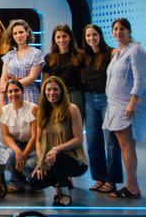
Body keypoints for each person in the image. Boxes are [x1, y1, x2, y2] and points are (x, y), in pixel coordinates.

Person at [104, 18, 146, 199]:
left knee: (127, 145)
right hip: (113, 105)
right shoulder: (119, 52)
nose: (118, 32)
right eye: (115, 29)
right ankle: (130, 185)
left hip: (125, 105)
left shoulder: (136, 50)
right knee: (124, 146)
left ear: (129, 30)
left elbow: (140, 79)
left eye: (122, 28)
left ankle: (132, 187)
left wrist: (133, 102)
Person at [30, 76, 88, 206]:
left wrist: (56, 149)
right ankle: (61, 180)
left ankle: (65, 194)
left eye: (55, 89)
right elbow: (38, 140)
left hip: (73, 160)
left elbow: (78, 139)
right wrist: (40, 163)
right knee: (35, 182)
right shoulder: (41, 112)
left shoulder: (71, 109)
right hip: (49, 159)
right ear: (44, 92)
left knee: (58, 158)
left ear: (61, 91)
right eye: (48, 89)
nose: (52, 93)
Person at [82, 24, 122, 194]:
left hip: (108, 101)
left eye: (94, 35)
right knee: (92, 141)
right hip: (90, 100)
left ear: (100, 35)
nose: (91, 38)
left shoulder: (111, 53)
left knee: (111, 142)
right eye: (88, 36)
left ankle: (111, 181)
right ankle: (99, 177)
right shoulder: (85, 57)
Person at [0, 80, 37, 193]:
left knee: (28, 165)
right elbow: (6, 135)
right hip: (15, 145)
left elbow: (35, 136)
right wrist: (18, 152)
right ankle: (17, 181)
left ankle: (34, 181)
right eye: (10, 91)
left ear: (22, 91)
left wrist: (23, 155)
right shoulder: (4, 111)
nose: (13, 94)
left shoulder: (33, 108)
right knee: (8, 156)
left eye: (16, 90)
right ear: (7, 94)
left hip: (32, 146)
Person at [43, 24, 85, 120]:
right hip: (55, 96)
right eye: (58, 37)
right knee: (57, 127)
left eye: (64, 36)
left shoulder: (79, 55)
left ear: (70, 37)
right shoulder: (49, 58)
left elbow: (83, 78)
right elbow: (45, 82)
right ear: (54, 39)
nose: (61, 40)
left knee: (76, 126)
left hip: (74, 95)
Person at [0, 19, 45, 103]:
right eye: (15, 33)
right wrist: (4, 89)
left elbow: (31, 78)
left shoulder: (36, 53)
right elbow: (3, 78)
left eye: (21, 32)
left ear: (27, 32)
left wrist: (9, 86)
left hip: (29, 95)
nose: (18, 35)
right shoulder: (9, 55)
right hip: (10, 96)